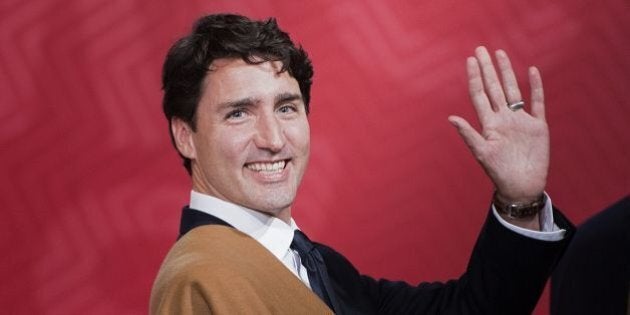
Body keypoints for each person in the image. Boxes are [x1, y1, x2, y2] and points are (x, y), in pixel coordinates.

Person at [150, 13, 574, 314]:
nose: (274, 139)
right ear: (185, 134)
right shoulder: (201, 279)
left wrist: (520, 199)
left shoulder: (318, 266)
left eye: (286, 108)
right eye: (238, 113)